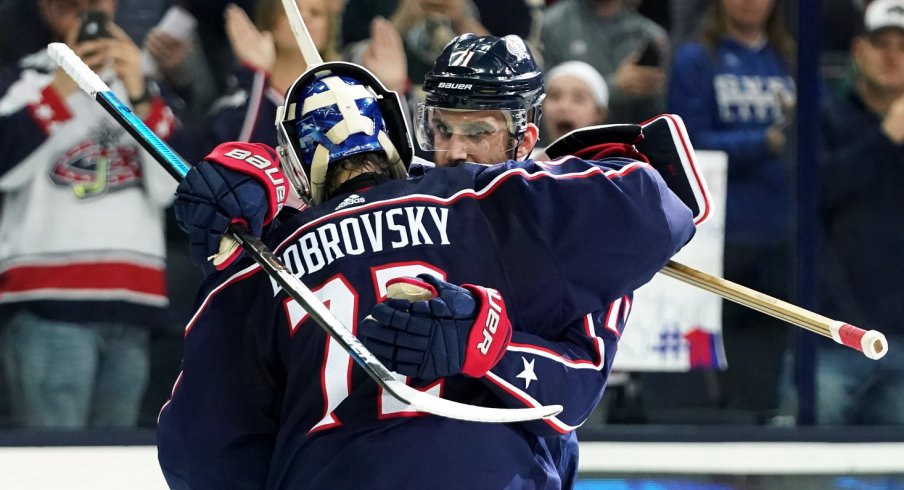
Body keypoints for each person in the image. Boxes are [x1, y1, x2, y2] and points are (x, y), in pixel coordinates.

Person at [156, 54, 696, 489]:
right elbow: (665, 203)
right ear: (404, 130)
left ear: (525, 140)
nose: (457, 152)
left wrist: (257, 172)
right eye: (441, 130)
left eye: (478, 132)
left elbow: (200, 454)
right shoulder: (493, 206)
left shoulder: (265, 262)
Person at [0, 0, 179, 428]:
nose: (83, 8)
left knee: (114, 466)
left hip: (132, 303)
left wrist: (138, 93)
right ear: (45, 7)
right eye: (70, 2)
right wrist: (63, 85)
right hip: (47, 304)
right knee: (55, 467)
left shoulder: (146, 84)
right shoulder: (21, 80)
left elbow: (176, 187)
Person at [667, 0, 796, 423]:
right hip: (717, 234)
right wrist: (765, 143)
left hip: (779, 233)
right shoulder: (696, 58)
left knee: (764, 361)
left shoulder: (789, 58)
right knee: (706, 359)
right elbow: (688, 143)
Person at [817, 0, 904, 425]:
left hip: (903, 338)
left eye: (903, 47)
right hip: (831, 335)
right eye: (881, 43)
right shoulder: (824, 118)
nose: (892, 56)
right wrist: (887, 138)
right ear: (857, 51)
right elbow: (814, 195)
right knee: (805, 467)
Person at [540, 0, 668, 124]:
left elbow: (658, 113)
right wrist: (616, 88)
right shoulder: (553, 24)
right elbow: (544, 97)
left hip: (629, 137)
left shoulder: (648, 33)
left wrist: (648, 88)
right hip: (571, 140)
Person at [539, 60, 610, 147]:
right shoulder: (524, 158)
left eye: (578, 98)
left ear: (599, 113)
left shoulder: (616, 159)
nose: (564, 106)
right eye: (555, 96)